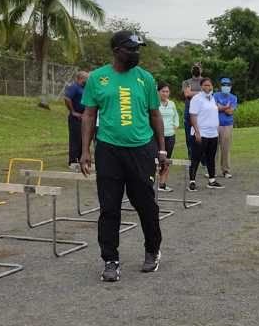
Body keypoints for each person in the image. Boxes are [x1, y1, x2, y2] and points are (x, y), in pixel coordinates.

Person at [79, 30, 166, 282]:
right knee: (109, 208)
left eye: (139, 49)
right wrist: (85, 150)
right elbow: (89, 114)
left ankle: (152, 251)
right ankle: (110, 260)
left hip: (141, 149)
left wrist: (161, 150)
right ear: (117, 50)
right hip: (108, 150)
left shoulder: (145, 79)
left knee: (146, 205)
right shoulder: (98, 78)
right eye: (132, 49)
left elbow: (155, 115)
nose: (137, 53)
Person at [189, 78, 223, 190]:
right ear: (201, 86)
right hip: (201, 133)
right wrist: (197, 132)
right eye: (205, 85)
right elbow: (193, 116)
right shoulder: (197, 98)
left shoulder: (212, 98)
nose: (207, 87)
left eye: (209, 85)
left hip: (213, 134)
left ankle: (212, 180)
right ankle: (192, 181)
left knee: (211, 157)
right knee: (196, 157)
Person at [182, 63, 203, 184]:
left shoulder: (205, 81)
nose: (196, 68)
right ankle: (191, 162)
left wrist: (192, 93)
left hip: (202, 114)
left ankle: (203, 162)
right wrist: (200, 93)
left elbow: (207, 93)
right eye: (194, 67)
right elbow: (186, 94)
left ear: (201, 69)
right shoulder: (186, 82)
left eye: (198, 67)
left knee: (203, 138)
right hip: (188, 113)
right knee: (189, 139)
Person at [214, 77, 238, 179]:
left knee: (225, 149)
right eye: (224, 85)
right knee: (213, 149)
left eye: (227, 85)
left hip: (227, 125)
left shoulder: (233, 98)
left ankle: (226, 170)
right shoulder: (215, 95)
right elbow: (214, 108)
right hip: (215, 124)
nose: (226, 87)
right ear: (221, 86)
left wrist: (221, 107)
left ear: (230, 86)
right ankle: (212, 170)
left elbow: (230, 112)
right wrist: (226, 107)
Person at [157, 82, 179, 192]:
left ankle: (162, 184)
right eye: (163, 91)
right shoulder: (154, 104)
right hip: (157, 136)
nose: (165, 94)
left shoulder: (172, 104)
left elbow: (176, 117)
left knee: (167, 161)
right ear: (158, 92)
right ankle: (153, 183)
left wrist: (175, 126)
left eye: (167, 91)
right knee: (157, 160)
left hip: (170, 135)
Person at [64, 71, 89, 165]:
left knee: (83, 138)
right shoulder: (74, 87)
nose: (88, 80)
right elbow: (67, 98)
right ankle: (73, 160)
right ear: (81, 78)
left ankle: (81, 158)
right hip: (76, 117)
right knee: (75, 138)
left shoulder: (85, 88)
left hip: (84, 117)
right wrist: (73, 112)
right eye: (87, 78)